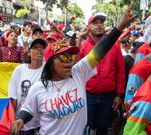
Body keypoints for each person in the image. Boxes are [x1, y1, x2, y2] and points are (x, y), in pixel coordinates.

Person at [10, 4, 136, 135]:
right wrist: (20, 120)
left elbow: (101, 49)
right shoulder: (38, 88)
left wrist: (120, 27)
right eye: (63, 58)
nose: (69, 60)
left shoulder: (78, 73)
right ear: (50, 63)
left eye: (70, 56)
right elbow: (29, 109)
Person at [79, 13, 126, 134]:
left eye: (101, 22)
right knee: (85, 128)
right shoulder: (83, 47)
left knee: (103, 129)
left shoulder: (114, 47)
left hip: (108, 97)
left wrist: (119, 95)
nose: (99, 25)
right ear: (88, 27)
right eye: (95, 22)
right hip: (87, 96)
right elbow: (76, 72)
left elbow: (120, 70)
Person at [9, 38, 46, 135]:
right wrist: (13, 119)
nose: (39, 50)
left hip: (42, 121)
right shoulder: (20, 70)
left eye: (42, 48)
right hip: (23, 121)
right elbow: (14, 96)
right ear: (29, 53)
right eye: (35, 48)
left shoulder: (49, 69)